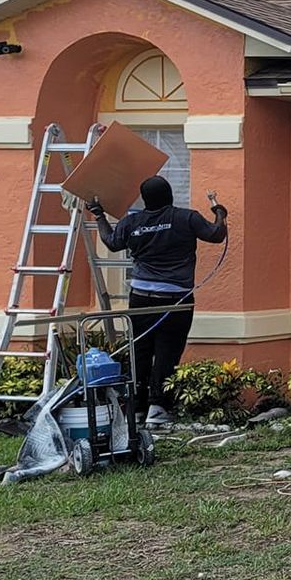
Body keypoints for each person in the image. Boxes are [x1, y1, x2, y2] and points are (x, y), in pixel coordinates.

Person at [88, 176, 228, 423]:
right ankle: (158, 408)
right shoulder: (186, 217)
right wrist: (220, 213)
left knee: (140, 351)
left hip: (140, 299)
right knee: (167, 352)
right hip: (175, 300)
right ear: (170, 195)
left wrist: (99, 215)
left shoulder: (132, 222)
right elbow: (216, 235)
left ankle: (137, 409)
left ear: (145, 200)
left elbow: (111, 242)